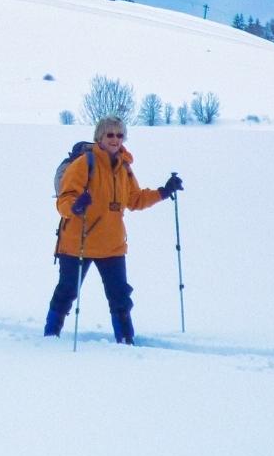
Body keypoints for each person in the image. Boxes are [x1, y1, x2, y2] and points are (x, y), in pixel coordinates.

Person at [45, 116, 182, 344]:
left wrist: (164, 191)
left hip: (112, 245)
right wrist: (76, 206)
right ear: (99, 137)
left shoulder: (124, 168)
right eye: (110, 134)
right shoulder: (83, 164)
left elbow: (135, 199)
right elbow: (63, 201)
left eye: (119, 135)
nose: (115, 139)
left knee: (120, 297)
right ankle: (50, 336)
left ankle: (126, 341)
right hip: (78, 242)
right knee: (66, 292)